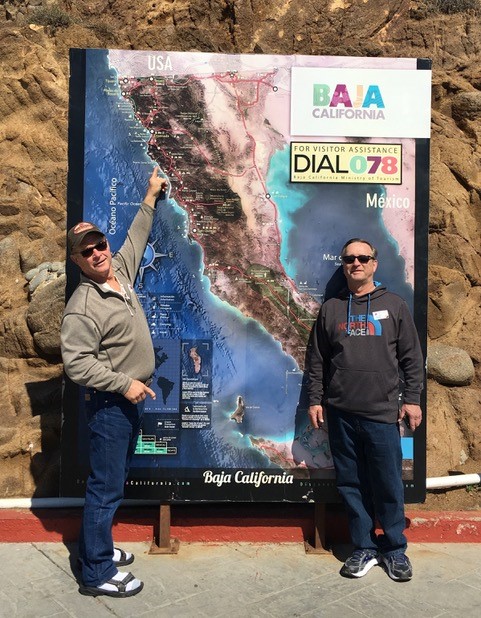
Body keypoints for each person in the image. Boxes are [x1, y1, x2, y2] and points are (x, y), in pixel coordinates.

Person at [61, 167, 167, 597]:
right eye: (87, 252)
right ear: (77, 261)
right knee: (105, 489)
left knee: (114, 481)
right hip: (110, 408)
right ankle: (96, 572)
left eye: (99, 244)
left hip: (126, 405)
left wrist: (150, 196)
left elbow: (136, 238)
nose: (98, 253)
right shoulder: (82, 306)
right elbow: (76, 365)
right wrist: (124, 384)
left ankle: (97, 548)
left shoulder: (119, 269)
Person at [306, 238, 424, 582]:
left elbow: (411, 358)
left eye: (363, 258)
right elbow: (317, 360)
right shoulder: (331, 309)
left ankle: (395, 549)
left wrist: (412, 399)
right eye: (349, 259)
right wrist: (315, 399)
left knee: (388, 483)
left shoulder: (395, 306)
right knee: (351, 484)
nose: (355, 263)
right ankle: (364, 547)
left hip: (382, 415)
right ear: (343, 265)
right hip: (341, 414)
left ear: (374, 264)